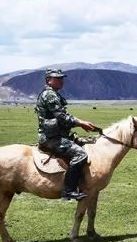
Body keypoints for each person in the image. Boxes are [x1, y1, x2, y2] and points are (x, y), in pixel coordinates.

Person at [35, 68, 98, 201]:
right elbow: (62, 117)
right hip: (51, 138)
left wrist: (80, 122)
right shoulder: (50, 95)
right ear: (48, 80)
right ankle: (68, 191)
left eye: (61, 78)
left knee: (86, 143)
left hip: (58, 134)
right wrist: (81, 123)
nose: (61, 81)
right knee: (80, 154)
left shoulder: (54, 94)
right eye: (57, 78)